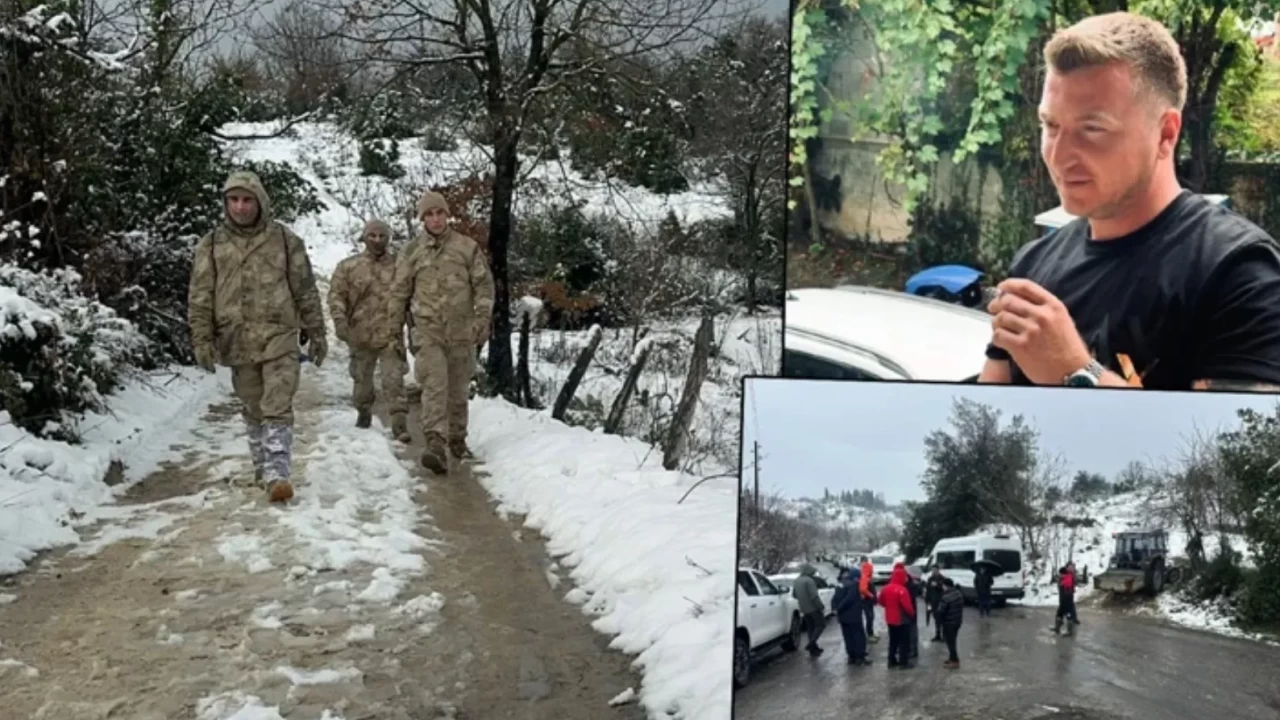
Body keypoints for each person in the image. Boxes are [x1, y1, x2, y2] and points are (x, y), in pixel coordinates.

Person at [977, 12, 1280, 393]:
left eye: (1092, 129)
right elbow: (984, 421)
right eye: (1051, 126)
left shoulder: (1237, 272)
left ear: (1166, 133)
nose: (1059, 154)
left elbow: (1235, 451)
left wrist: (1074, 372)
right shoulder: (1032, 266)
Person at [188, 170, 327, 504]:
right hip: (237, 340)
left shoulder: (284, 240)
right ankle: (262, 468)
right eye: (233, 200)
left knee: (277, 403)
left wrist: (317, 331)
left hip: (279, 336)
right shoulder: (211, 244)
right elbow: (200, 295)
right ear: (225, 204)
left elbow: (305, 288)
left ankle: (278, 473)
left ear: (260, 202)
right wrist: (202, 338)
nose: (240, 207)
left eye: (247, 199)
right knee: (252, 406)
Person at [388, 191, 494, 473]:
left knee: (458, 390)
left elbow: (484, 285)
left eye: (439, 213)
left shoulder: (466, 248)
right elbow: (398, 294)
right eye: (429, 214)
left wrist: (482, 319)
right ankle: (435, 443)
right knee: (435, 385)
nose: (435, 219)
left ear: (447, 215)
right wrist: (394, 333)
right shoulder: (411, 251)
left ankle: (457, 440)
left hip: (462, 332)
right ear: (422, 219)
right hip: (428, 331)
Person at [328, 219, 410, 443]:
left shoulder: (399, 267)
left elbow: (410, 298)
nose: (377, 240)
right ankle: (364, 413)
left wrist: (412, 326)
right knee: (362, 381)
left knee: (394, 380)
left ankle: (400, 424)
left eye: (382, 236)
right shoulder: (348, 267)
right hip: (360, 334)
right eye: (372, 235)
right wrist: (340, 321)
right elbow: (336, 295)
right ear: (364, 237)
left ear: (388, 239)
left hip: (390, 334)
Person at [876, 565, 915, 669]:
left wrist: (888, 607)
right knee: (904, 642)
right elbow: (907, 607)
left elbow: (880, 601)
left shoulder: (885, 588)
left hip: (890, 619)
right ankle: (903, 662)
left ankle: (891, 660)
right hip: (902, 619)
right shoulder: (902, 590)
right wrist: (912, 615)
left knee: (893, 641)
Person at [832, 568, 871, 666]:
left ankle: (851, 656)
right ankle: (860, 657)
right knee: (858, 636)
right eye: (858, 577)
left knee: (848, 637)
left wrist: (835, 609)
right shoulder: (853, 585)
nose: (859, 579)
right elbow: (849, 599)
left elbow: (834, 598)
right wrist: (839, 608)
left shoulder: (840, 584)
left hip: (842, 617)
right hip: (853, 616)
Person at [791, 564, 827, 657]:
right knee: (821, 625)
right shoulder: (810, 581)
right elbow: (814, 596)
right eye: (813, 572)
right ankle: (811, 643)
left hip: (804, 608)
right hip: (813, 608)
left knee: (811, 628)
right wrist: (820, 606)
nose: (814, 573)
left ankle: (813, 649)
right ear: (809, 572)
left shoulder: (797, 581)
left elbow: (794, 595)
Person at [937, 577, 965, 669]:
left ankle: (955, 661)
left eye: (943, 586)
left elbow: (941, 611)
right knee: (953, 640)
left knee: (950, 642)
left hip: (948, 622)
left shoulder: (946, 597)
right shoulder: (958, 593)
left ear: (946, 586)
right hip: (957, 621)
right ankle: (952, 658)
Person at [900, 563, 921, 659]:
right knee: (909, 631)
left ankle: (913, 649)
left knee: (912, 631)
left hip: (910, 611)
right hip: (909, 611)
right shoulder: (910, 583)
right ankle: (910, 649)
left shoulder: (910, 585)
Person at [1053, 561, 1080, 635]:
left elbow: (1072, 583)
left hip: (1067, 596)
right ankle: (1057, 627)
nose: (1071, 568)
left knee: (1069, 613)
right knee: (1059, 612)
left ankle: (1069, 630)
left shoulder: (1070, 576)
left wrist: (1062, 581)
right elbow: (1059, 584)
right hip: (1063, 596)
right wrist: (1061, 579)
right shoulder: (1064, 573)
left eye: (1072, 567)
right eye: (1069, 567)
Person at [858, 556, 879, 643]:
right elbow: (863, 589)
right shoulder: (865, 576)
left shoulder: (866, 575)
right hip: (866, 601)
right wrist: (871, 596)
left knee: (871, 617)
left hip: (867, 601)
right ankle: (869, 635)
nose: (872, 571)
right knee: (869, 617)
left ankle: (871, 633)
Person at [925, 567, 946, 642]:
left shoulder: (942, 578)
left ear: (938, 570)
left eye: (935, 570)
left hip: (940, 601)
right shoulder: (930, 579)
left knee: (942, 619)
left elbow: (945, 588)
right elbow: (928, 590)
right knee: (936, 618)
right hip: (932, 602)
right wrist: (927, 600)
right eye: (932, 570)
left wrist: (937, 585)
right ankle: (938, 635)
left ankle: (944, 636)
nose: (933, 571)